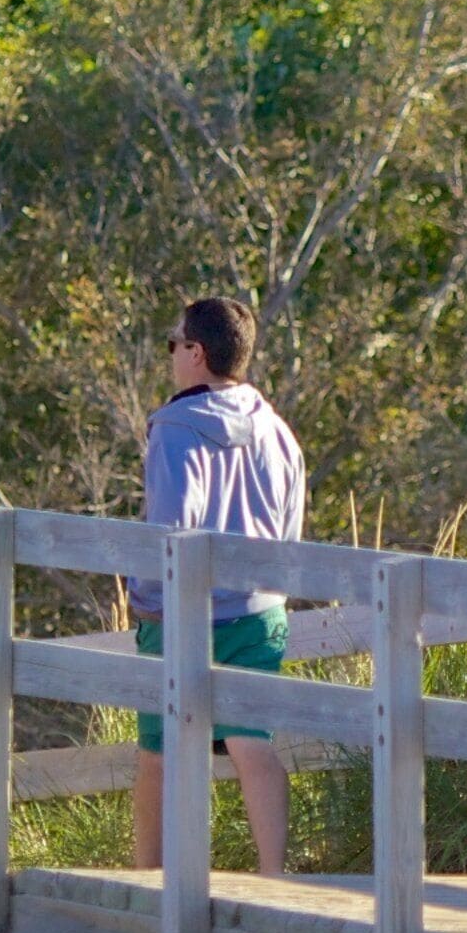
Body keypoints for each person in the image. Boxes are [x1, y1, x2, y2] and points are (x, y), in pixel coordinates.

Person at [128, 294, 308, 876]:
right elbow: (289, 524)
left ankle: (152, 875)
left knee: (159, 752)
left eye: (174, 343)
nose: (171, 355)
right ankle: (275, 873)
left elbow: (171, 526)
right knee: (251, 742)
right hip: (259, 609)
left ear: (196, 353)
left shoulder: (175, 430)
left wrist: (147, 602)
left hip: (184, 615)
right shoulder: (276, 431)